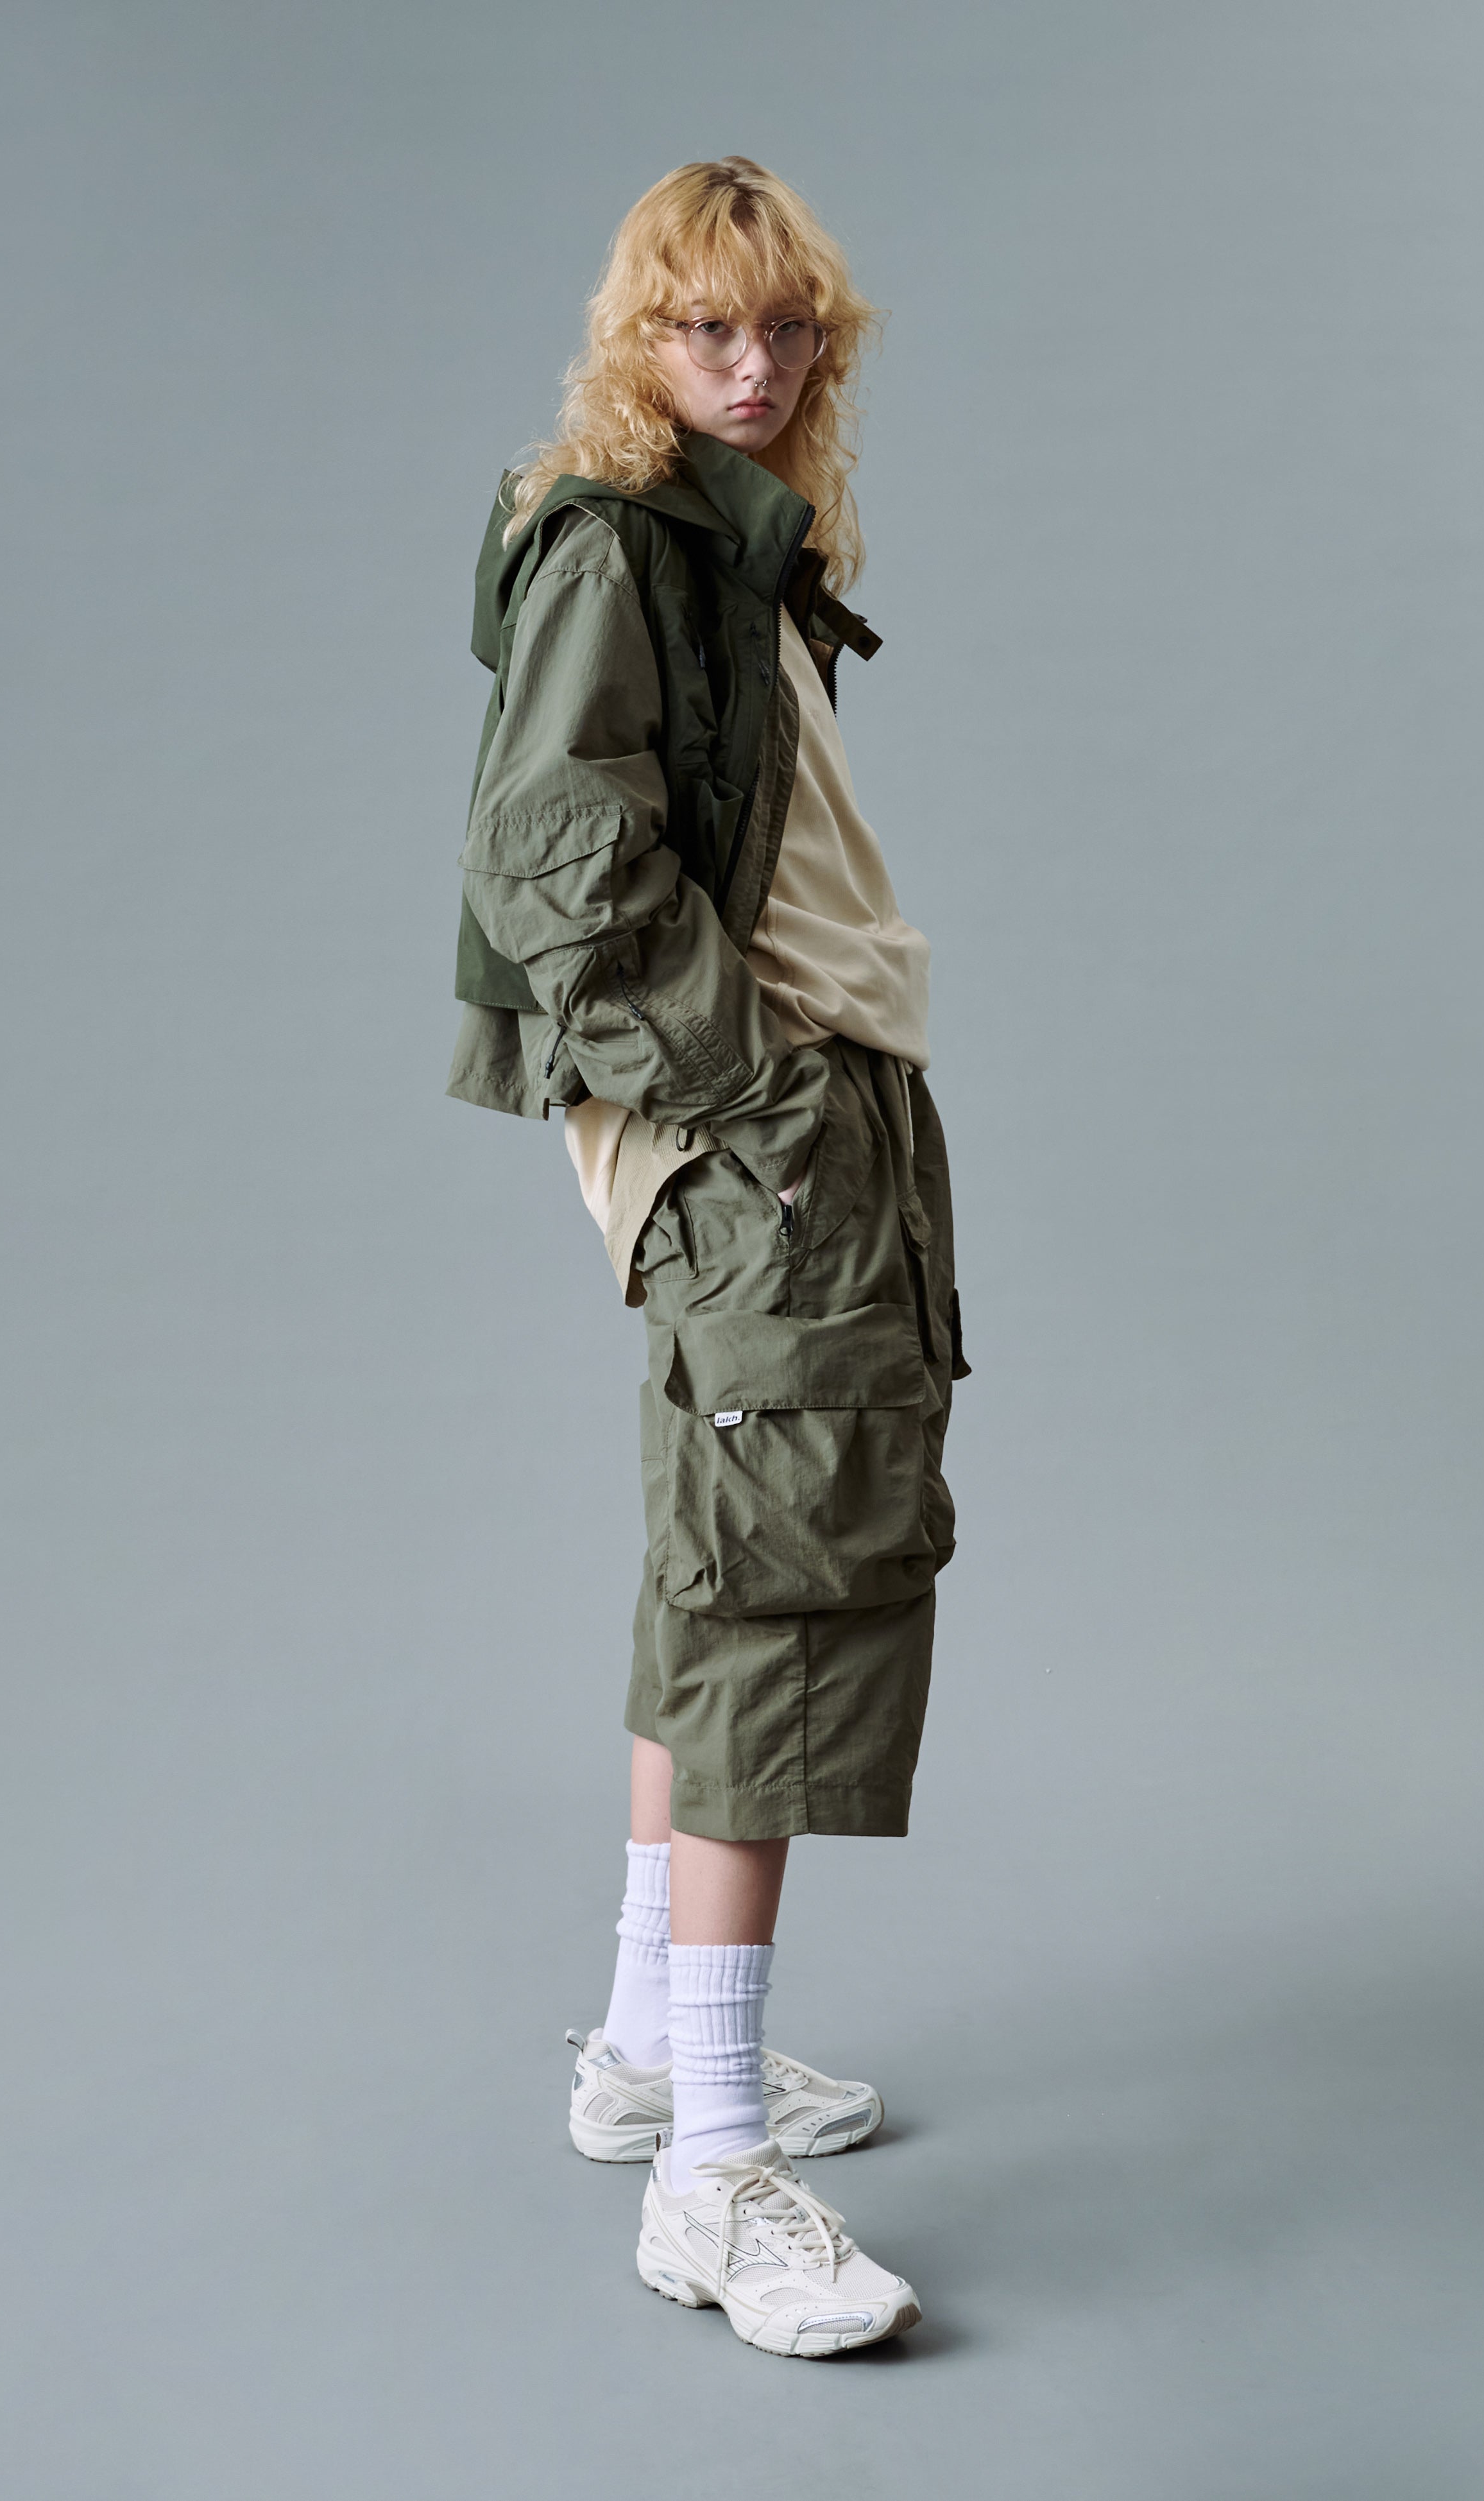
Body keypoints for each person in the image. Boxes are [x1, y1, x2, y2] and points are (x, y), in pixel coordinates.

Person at [445, 157, 969, 2360]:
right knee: (775, 1602)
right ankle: (714, 2173)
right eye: (705, 329)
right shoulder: (622, 540)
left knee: (714, 1569)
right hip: (765, 1126)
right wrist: (751, 1095)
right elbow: (556, 855)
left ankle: (652, 2047)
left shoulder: (724, 545)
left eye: (787, 329)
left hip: (800, 1116)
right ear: (637, 341)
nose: (753, 367)